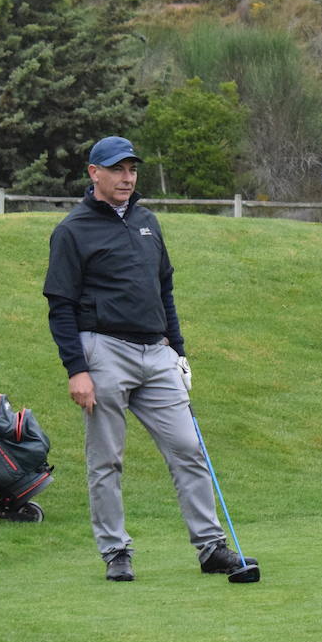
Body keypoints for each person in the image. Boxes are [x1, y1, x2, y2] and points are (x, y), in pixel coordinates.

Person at [43, 135, 256, 581]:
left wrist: (178, 351)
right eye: (117, 169)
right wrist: (76, 370)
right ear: (93, 173)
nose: (127, 177)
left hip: (156, 352)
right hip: (103, 351)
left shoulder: (147, 222)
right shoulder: (72, 230)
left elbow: (164, 290)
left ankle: (211, 547)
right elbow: (60, 305)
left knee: (188, 449)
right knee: (107, 459)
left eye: (132, 169)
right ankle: (115, 552)